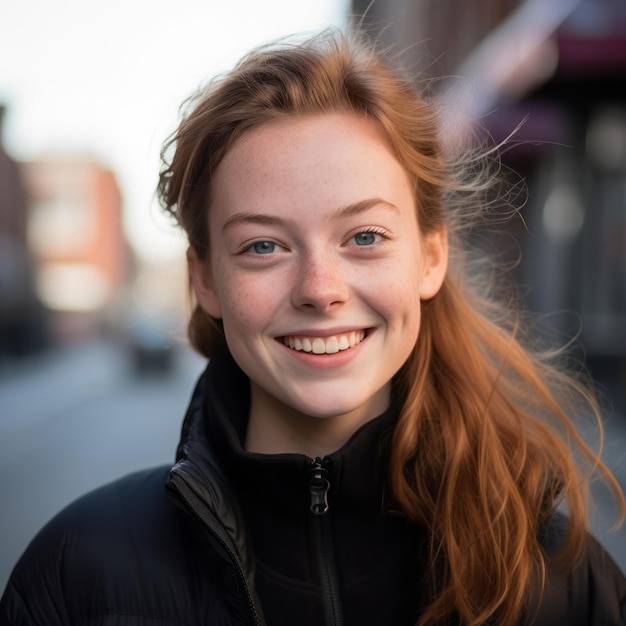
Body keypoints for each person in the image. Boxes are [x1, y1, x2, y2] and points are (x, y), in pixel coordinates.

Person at [1, 28, 625, 626]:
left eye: (364, 237)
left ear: (432, 255)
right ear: (206, 280)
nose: (320, 290)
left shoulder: (560, 579)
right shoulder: (78, 575)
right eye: (264, 247)